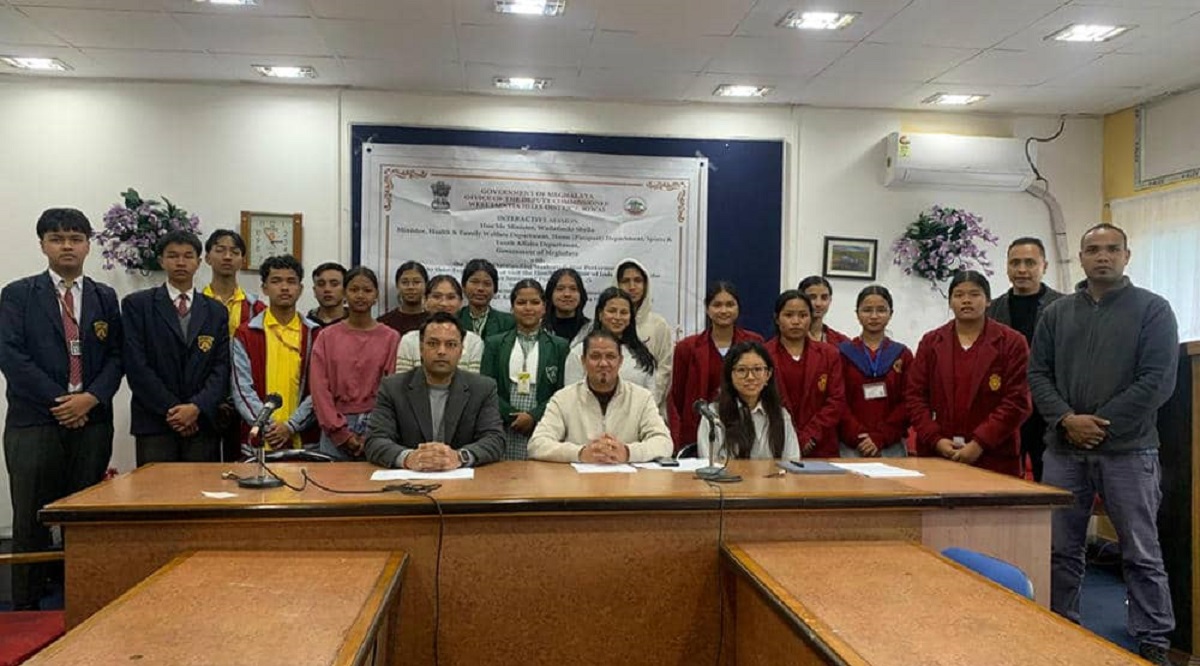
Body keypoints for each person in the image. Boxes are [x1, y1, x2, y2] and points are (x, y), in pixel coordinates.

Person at [1028, 224, 1178, 665]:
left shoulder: (1153, 309)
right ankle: (1060, 624)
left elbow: (1157, 380)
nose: (1103, 256)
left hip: (1130, 451)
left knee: (1141, 550)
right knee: (1060, 549)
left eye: (1112, 249)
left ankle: (1153, 637)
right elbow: (1038, 374)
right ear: (1080, 257)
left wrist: (1100, 426)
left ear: (1127, 256)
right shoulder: (1056, 313)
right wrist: (1066, 420)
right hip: (1064, 451)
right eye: (1093, 249)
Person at [0, 208, 123, 610]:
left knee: (83, 516)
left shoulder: (105, 296)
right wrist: (62, 401)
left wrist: (91, 398)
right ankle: (26, 607)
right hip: (35, 423)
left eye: (75, 238)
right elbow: (11, 355)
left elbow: (117, 356)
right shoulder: (18, 294)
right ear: (43, 245)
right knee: (31, 517)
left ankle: (81, 599)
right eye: (57, 239)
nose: (67, 246)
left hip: (92, 422)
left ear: (88, 245)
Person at [905, 271, 1031, 477]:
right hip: (938, 454)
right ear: (950, 302)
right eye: (959, 295)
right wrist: (935, 439)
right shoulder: (931, 342)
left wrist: (979, 443)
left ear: (988, 301)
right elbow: (914, 397)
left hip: (994, 455)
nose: (966, 300)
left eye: (974, 294)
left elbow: (1017, 401)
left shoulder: (1012, 342)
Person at [122, 230, 230, 465]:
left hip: (202, 423)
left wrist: (196, 408)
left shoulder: (216, 311)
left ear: (199, 262)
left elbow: (221, 368)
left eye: (188, 256)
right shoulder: (137, 305)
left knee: (203, 488)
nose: (181, 262)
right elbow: (136, 366)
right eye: (173, 256)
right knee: (155, 488)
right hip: (155, 422)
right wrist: (174, 410)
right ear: (161, 261)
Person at [364, 312, 505, 469]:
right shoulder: (393, 387)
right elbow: (375, 440)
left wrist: (460, 457)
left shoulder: (483, 388)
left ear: (461, 351)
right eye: (433, 343)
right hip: (409, 479)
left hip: (463, 479)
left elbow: (495, 439)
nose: (441, 351)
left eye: (450, 344)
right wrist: (408, 458)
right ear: (421, 348)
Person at [528, 330, 672, 463]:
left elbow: (664, 443)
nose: (603, 363)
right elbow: (537, 444)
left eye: (610, 357)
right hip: (577, 481)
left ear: (620, 361)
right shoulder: (563, 399)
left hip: (627, 480)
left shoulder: (641, 398)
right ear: (583, 361)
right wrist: (580, 453)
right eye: (595, 357)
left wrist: (627, 452)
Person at [986, 237, 1063, 481]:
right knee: (1003, 482)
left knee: (1049, 483)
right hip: (1005, 406)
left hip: (1048, 409)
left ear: (1044, 266)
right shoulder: (991, 310)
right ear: (1007, 267)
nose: (1021, 270)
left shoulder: (1064, 307)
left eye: (1030, 263)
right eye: (1015, 263)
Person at [309, 267, 400, 461]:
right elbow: (319, 390)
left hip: (377, 426)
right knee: (332, 478)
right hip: (334, 425)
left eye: (367, 290)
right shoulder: (326, 337)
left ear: (376, 295)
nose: (360, 295)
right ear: (344, 293)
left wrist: (373, 432)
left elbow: (392, 389)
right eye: (354, 289)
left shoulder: (391, 338)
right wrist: (340, 433)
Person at [231, 255, 319, 451]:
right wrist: (267, 426)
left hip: (303, 442)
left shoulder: (315, 335)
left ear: (300, 288)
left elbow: (319, 391)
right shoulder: (245, 334)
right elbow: (241, 389)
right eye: (276, 281)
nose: (284, 287)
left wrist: (290, 426)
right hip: (260, 442)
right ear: (264, 288)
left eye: (291, 281)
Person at [480, 279, 569, 460]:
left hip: (543, 423)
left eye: (535, 302)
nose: (528, 308)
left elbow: (562, 391)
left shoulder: (559, 345)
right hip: (503, 423)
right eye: (521, 302)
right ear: (512, 308)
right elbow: (486, 388)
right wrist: (513, 416)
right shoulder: (494, 343)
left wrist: (533, 416)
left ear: (544, 308)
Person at [669, 282, 762, 450]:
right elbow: (677, 397)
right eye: (717, 305)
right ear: (707, 309)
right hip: (698, 431)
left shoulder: (754, 343)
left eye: (730, 304)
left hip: (745, 429)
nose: (724, 310)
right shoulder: (687, 348)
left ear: (738, 308)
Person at [202, 229, 265, 462]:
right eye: (220, 250)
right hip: (205, 396)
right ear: (207, 258)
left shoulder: (256, 308)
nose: (227, 257)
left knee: (239, 463)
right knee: (203, 465)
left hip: (244, 396)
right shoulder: (196, 304)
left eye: (234, 252)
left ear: (242, 260)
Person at [764, 290, 846, 458]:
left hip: (821, 445)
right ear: (777, 318)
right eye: (789, 315)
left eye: (803, 315)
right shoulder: (763, 354)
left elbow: (836, 400)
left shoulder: (829, 354)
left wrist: (811, 435)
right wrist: (791, 436)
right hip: (775, 442)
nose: (796, 321)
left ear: (811, 318)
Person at [837, 286, 912, 458]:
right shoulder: (842, 354)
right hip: (851, 444)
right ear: (857, 314)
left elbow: (909, 401)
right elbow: (837, 400)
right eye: (867, 310)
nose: (874, 316)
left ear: (891, 314)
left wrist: (881, 436)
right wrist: (857, 435)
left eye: (881, 310)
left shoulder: (902, 354)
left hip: (891, 444)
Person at [697, 341, 800, 462]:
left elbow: (793, 462)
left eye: (757, 369)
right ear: (730, 375)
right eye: (741, 370)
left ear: (768, 374)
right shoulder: (713, 415)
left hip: (774, 475)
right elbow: (708, 463)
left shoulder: (781, 415)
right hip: (727, 475)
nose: (750, 377)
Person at [565, 287, 659, 402]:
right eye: (612, 311)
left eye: (624, 312)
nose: (617, 317)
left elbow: (651, 399)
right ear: (600, 314)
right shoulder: (580, 352)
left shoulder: (642, 355)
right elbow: (571, 398)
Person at [614, 258, 673, 408]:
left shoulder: (658, 325)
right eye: (626, 281)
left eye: (638, 280)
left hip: (649, 406)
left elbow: (665, 368)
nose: (632, 287)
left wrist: (649, 403)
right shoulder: (607, 323)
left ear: (646, 284)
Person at [397, 275, 484, 373]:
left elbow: (473, 381)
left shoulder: (474, 342)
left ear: (460, 302)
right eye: (436, 296)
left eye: (451, 297)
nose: (443, 303)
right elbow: (403, 380)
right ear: (424, 300)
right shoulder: (409, 341)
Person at [458, 258, 515, 339]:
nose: (480, 288)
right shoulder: (454, 319)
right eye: (474, 282)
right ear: (463, 286)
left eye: (487, 284)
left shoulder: (507, 322)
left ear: (495, 289)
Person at [377, 260, 428, 337]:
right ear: (397, 285)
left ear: (426, 285)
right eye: (405, 282)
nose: (410, 287)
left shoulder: (433, 322)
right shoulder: (384, 323)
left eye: (416, 282)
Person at [543, 267, 590, 346]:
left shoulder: (591, 330)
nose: (567, 294)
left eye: (573, 289)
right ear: (550, 293)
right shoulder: (539, 329)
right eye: (560, 289)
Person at [799, 275, 850, 345]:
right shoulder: (789, 338)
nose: (818, 303)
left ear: (830, 300)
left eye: (824, 298)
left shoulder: (841, 342)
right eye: (812, 297)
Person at [307, 261, 348, 327]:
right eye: (321, 284)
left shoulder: (357, 324)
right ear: (314, 291)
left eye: (334, 284)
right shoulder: (305, 326)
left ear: (345, 290)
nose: (327, 289)